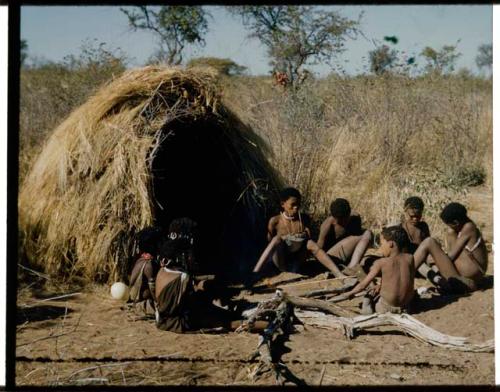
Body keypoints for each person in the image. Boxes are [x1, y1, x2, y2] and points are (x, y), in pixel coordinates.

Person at [155, 217, 267, 333]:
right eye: (187, 254)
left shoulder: (163, 270)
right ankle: (269, 326)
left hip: (163, 320)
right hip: (179, 321)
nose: (189, 257)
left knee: (218, 309)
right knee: (230, 322)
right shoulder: (182, 278)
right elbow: (189, 302)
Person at [252, 187, 346, 277]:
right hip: (281, 260)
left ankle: (338, 273)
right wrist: (284, 240)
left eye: (298, 204)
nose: (296, 208)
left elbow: (309, 243)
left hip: (297, 261)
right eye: (292, 205)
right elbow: (270, 243)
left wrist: (306, 235)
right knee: (276, 239)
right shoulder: (275, 221)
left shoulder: (304, 219)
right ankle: (255, 273)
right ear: (282, 204)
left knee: (310, 243)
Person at [413, 202, 487, 293]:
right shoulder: (464, 226)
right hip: (460, 276)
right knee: (422, 266)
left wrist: (435, 258)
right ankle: (441, 282)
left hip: (465, 280)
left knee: (430, 242)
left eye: (449, 224)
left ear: (456, 222)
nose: (448, 227)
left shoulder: (469, 228)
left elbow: (451, 257)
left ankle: (405, 273)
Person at [340, 226, 415, 314]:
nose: (380, 248)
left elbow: (363, 285)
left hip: (385, 308)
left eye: (382, 244)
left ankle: (367, 308)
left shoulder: (382, 262)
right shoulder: (410, 258)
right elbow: (409, 282)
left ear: (390, 244)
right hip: (405, 308)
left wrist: (349, 294)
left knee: (369, 295)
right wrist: (381, 286)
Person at [316, 198, 373, 275]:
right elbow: (318, 250)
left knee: (368, 233)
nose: (341, 222)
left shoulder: (355, 219)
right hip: (331, 258)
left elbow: (357, 242)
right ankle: (352, 267)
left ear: (349, 213)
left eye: (344, 219)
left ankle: (352, 266)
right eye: (338, 220)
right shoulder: (327, 225)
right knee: (365, 234)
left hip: (347, 256)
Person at [128, 226, 164, 315]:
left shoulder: (140, 259)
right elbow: (153, 289)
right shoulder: (148, 265)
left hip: (136, 297)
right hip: (141, 300)